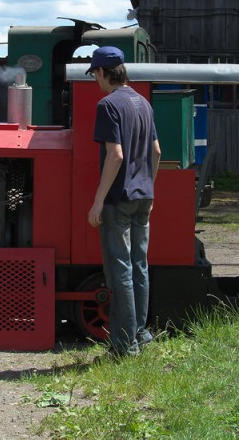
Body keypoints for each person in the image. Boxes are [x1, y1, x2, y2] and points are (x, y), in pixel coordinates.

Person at [86, 46, 161, 357]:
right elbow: (156, 152)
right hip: (144, 196)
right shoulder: (143, 102)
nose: (95, 80)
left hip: (119, 198)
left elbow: (115, 155)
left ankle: (124, 346)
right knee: (139, 266)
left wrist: (98, 201)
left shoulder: (108, 105)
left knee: (120, 271)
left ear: (103, 72)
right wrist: (149, 188)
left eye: (95, 74)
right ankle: (141, 335)